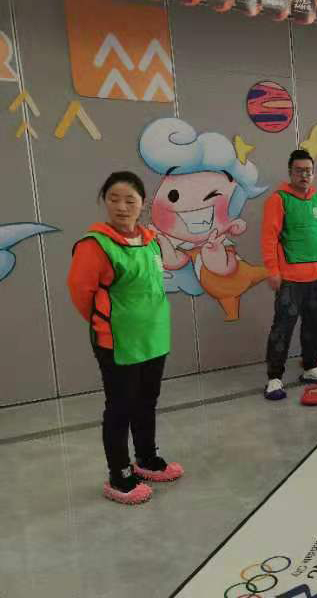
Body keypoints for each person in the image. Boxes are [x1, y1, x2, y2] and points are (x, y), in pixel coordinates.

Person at [68, 171, 183, 505]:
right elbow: (81, 293)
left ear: (142, 204)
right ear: (104, 201)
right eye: (114, 199)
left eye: (129, 200)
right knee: (120, 407)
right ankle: (119, 475)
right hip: (118, 341)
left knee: (147, 401)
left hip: (154, 337)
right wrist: (107, 322)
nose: (121, 207)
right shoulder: (95, 245)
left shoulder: (150, 240)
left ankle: (146, 458)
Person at [261, 149, 317, 401]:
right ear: (290, 172)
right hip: (290, 278)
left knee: (313, 324)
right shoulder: (278, 199)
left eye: (308, 171)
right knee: (282, 328)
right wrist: (273, 270)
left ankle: (311, 367)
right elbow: (269, 238)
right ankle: (274, 378)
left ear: (313, 173)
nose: (304, 175)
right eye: (299, 170)